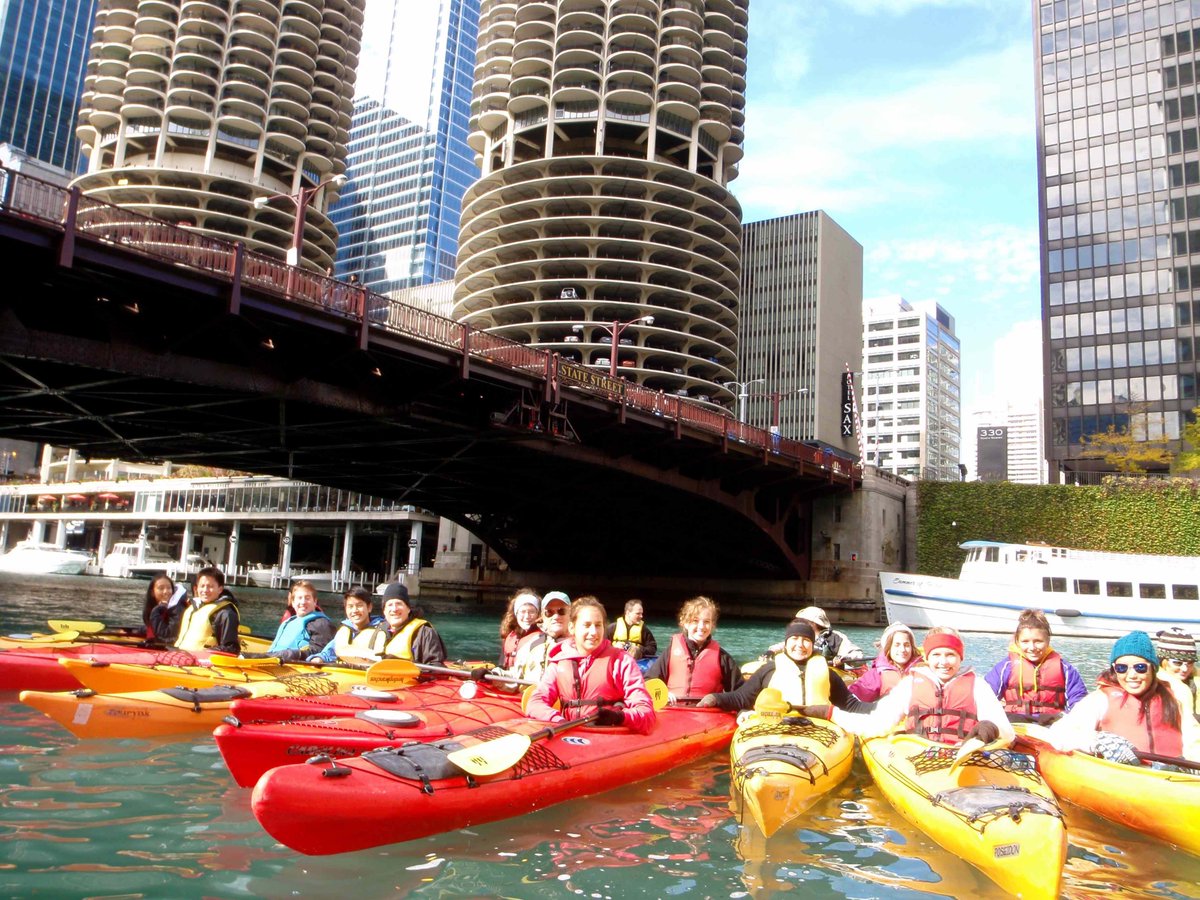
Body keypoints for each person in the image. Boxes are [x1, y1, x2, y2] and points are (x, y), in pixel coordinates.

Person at [830, 627, 1015, 748]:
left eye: (950, 655)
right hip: (917, 754)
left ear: (961, 657)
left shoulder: (978, 686)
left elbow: (1007, 732)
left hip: (962, 753)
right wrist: (831, 714)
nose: (943, 662)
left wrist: (989, 728)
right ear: (927, 658)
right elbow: (876, 724)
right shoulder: (909, 685)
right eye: (936, 655)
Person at [1047, 630, 1199, 763]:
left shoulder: (1174, 699)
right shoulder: (1101, 699)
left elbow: (1194, 740)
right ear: (1114, 670)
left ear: (1153, 669)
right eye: (1122, 668)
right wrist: (1096, 741)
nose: (1131, 675)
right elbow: (1058, 734)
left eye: (1140, 668)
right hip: (1124, 777)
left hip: (1173, 778)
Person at [526, 596, 656, 734]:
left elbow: (646, 713)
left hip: (607, 736)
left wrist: (620, 717)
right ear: (572, 627)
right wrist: (559, 721)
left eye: (598, 625)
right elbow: (535, 703)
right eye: (587, 625)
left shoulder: (621, 661)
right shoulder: (560, 661)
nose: (593, 632)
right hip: (568, 733)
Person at [697, 620, 871, 714]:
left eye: (806, 640)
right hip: (778, 726)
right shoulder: (769, 670)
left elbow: (851, 705)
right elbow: (742, 698)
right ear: (786, 643)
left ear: (812, 645)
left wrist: (885, 709)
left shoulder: (827, 673)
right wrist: (715, 698)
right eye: (794, 639)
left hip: (818, 730)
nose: (800, 645)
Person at [983, 609, 1088, 721]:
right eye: (1025, 641)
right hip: (1016, 724)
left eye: (1038, 641)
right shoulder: (1005, 667)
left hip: (1051, 725)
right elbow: (984, 698)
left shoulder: (1065, 669)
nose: (1032, 648)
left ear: (1048, 641)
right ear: (1017, 642)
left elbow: (1079, 702)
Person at [644, 596, 739, 704]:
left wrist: (719, 699)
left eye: (707, 622)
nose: (701, 626)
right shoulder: (670, 652)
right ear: (685, 623)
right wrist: (663, 693)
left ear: (712, 625)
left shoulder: (722, 657)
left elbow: (741, 693)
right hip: (673, 711)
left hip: (708, 715)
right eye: (695, 621)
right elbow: (648, 681)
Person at [500, 590, 571, 683]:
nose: (556, 616)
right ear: (542, 616)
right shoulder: (530, 646)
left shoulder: (582, 645)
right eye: (549, 612)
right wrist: (494, 674)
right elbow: (516, 677)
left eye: (562, 611)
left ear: (570, 614)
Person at [373, 582, 446, 666]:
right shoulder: (378, 631)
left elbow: (436, 667)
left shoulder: (425, 633)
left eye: (399, 604)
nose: (394, 609)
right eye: (390, 605)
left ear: (408, 609)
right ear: (384, 611)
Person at [849, 622, 922, 702]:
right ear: (888, 648)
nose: (902, 650)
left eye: (907, 645)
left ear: (912, 648)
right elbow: (852, 696)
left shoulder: (923, 670)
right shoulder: (877, 675)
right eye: (897, 645)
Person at [312, 586, 387, 664]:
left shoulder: (381, 630)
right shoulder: (346, 629)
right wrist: (319, 658)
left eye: (359, 606)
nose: (355, 610)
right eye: (350, 606)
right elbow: (328, 652)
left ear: (369, 607)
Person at [175, 566, 241, 655]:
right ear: (197, 588)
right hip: (179, 656)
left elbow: (230, 648)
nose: (205, 590)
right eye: (202, 586)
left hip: (203, 663)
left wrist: (206, 652)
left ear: (220, 589)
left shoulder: (225, 613)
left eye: (210, 586)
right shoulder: (192, 608)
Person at [266, 580, 336, 662]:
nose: (303, 602)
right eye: (299, 598)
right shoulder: (289, 622)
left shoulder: (321, 624)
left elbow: (319, 654)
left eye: (307, 598)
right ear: (293, 602)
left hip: (295, 668)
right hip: (273, 662)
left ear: (315, 601)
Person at [795, 606, 864, 667]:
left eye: (802, 621)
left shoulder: (834, 637)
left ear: (814, 623)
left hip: (828, 674)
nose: (799, 623)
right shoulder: (795, 636)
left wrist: (843, 658)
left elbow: (857, 656)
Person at [1155, 626, 1199, 721]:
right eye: (1177, 663)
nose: (1184, 668)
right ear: (1163, 661)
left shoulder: (1196, 681)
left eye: (1190, 663)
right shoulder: (1154, 686)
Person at [498, 588, 541, 669]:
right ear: (516, 614)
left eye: (532, 612)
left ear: (537, 614)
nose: (527, 616)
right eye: (522, 612)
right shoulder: (509, 636)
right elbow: (501, 665)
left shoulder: (542, 638)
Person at [143, 574, 187, 643]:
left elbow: (167, 637)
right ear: (152, 593)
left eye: (169, 588)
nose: (166, 592)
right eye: (161, 588)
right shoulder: (159, 609)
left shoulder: (176, 609)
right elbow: (151, 628)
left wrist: (156, 611)